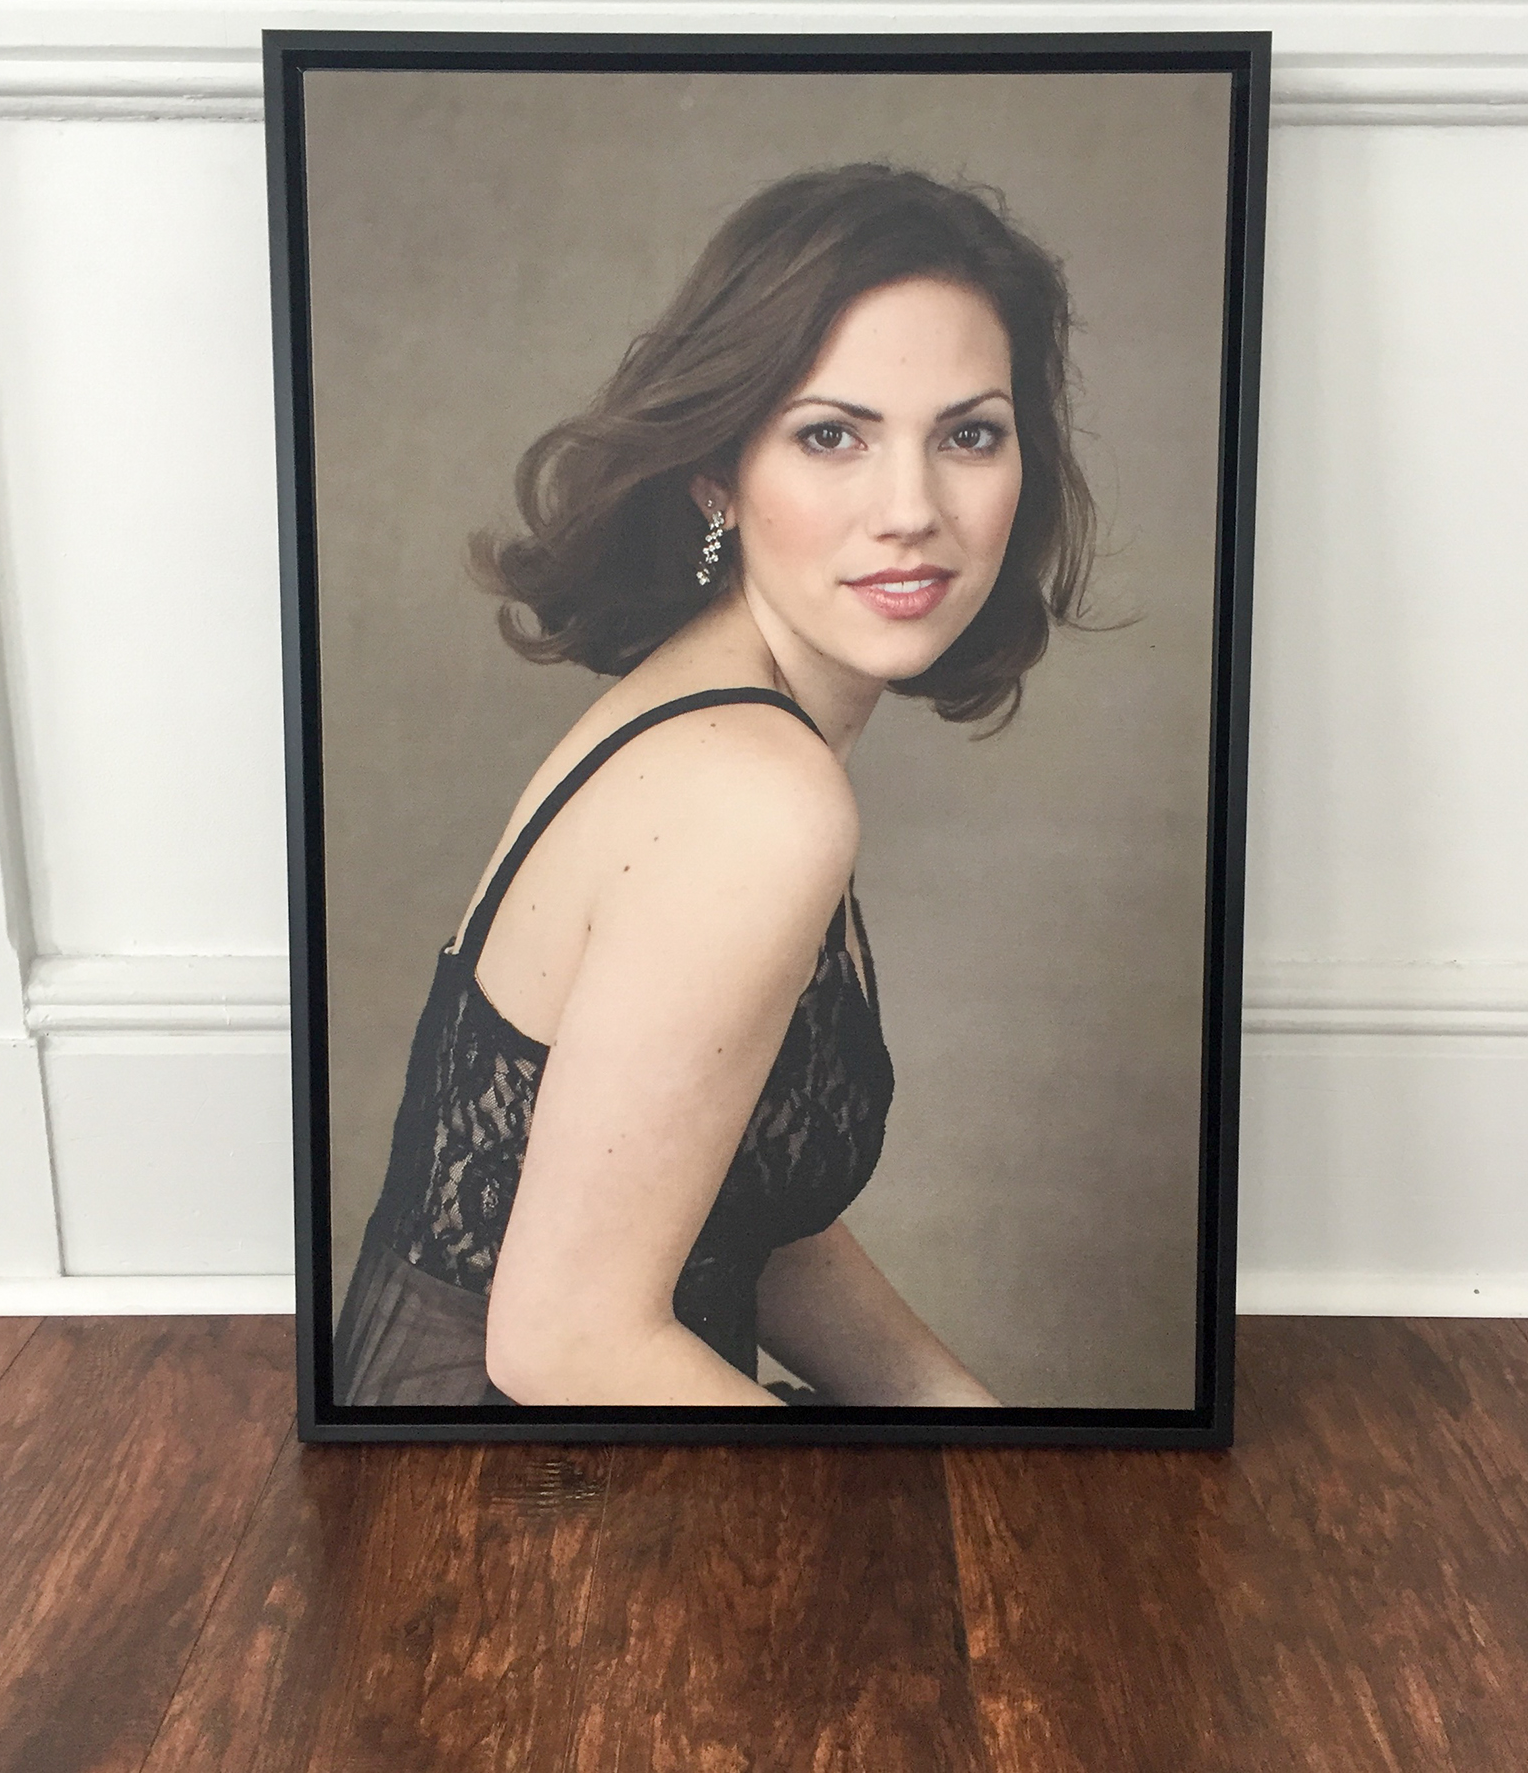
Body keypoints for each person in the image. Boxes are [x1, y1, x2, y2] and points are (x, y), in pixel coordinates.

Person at [333, 163, 1095, 1409]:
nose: (911, 508)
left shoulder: (707, 703)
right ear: (715, 476)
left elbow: (736, 1202)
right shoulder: (752, 798)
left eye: (967, 434)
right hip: (508, 1488)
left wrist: (980, 1441)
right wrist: (903, 1497)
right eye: (830, 434)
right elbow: (562, 1343)